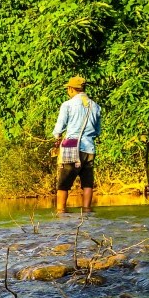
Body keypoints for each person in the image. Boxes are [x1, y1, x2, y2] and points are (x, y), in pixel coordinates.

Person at [53, 75, 101, 214]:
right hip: (89, 147)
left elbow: (59, 128)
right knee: (87, 183)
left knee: (63, 184)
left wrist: (57, 137)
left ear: (71, 89)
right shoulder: (96, 106)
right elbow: (97, 131)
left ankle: (60, 212)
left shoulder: (67, 105)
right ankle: (87, 211)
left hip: (70, 145)